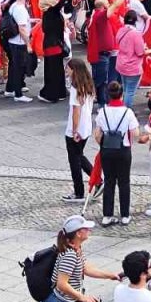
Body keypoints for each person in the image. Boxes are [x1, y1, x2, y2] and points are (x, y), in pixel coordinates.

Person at [43, 214, 119, 302]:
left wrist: (110, 275)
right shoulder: (70, 255)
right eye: (86, 228)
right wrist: (83, 297)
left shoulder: (77, 249)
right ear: (78, 233)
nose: (89, 230)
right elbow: (62, 284)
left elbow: (87, 269)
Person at [92, 81, 139, 225]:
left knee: (109, 181)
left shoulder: (102, 112)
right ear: (122, 95)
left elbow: (97, 133)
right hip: (123, 149)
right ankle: (124, 215)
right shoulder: (128, 112)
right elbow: (135, 132)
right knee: (124, 182)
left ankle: (107, 215)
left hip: (107, 149)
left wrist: (103, 144)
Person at [61, 58, 95, 204]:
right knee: (79, 156)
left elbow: (76, 110)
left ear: (74, 70)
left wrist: (74, 130)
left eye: (68, 69)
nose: (66, 71)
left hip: (76, 129)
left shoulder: (75, 88)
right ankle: (97, 179)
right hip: (86, 127)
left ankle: (79, 192)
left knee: (74, 160)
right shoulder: (88, 85)